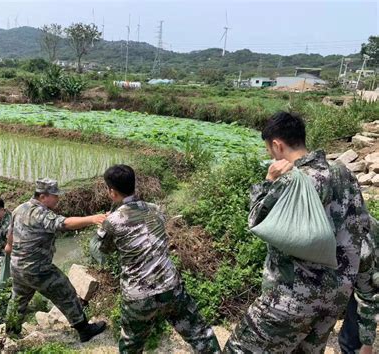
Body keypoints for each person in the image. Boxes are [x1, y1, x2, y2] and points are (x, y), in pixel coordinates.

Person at [224, 112, 372, 353]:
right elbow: (361, 228)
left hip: (289, 300)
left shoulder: (291, 180)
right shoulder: (343, 174)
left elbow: (258, 221)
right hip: (334, 298)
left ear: (277, 145)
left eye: (269, 150)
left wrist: (269, 181)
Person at [95, 164, 221, 354]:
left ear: (112, 192)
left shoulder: (112, 221)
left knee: (131, 345)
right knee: (199, 333)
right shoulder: (156, 209)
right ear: (134, 185)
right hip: (170, 287)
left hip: (138, 295)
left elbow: (104, 250)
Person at [5, 178, 107, 342]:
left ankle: (10, 333)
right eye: (55, 196)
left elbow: (9, 236)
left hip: (17, 267)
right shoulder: (40, 213)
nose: (58, 199)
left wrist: (10, 247)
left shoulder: (19, 208)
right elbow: (64, 224)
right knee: (66, 291)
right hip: (37, 269)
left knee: (17, 300)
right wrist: (93, 219)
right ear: (43, 196)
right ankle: (84, 329)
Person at [338, 216, 378, 354]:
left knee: (352, 341)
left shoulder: (362, 245)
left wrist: (366, 342)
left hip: (366, 275)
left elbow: (368, 296)